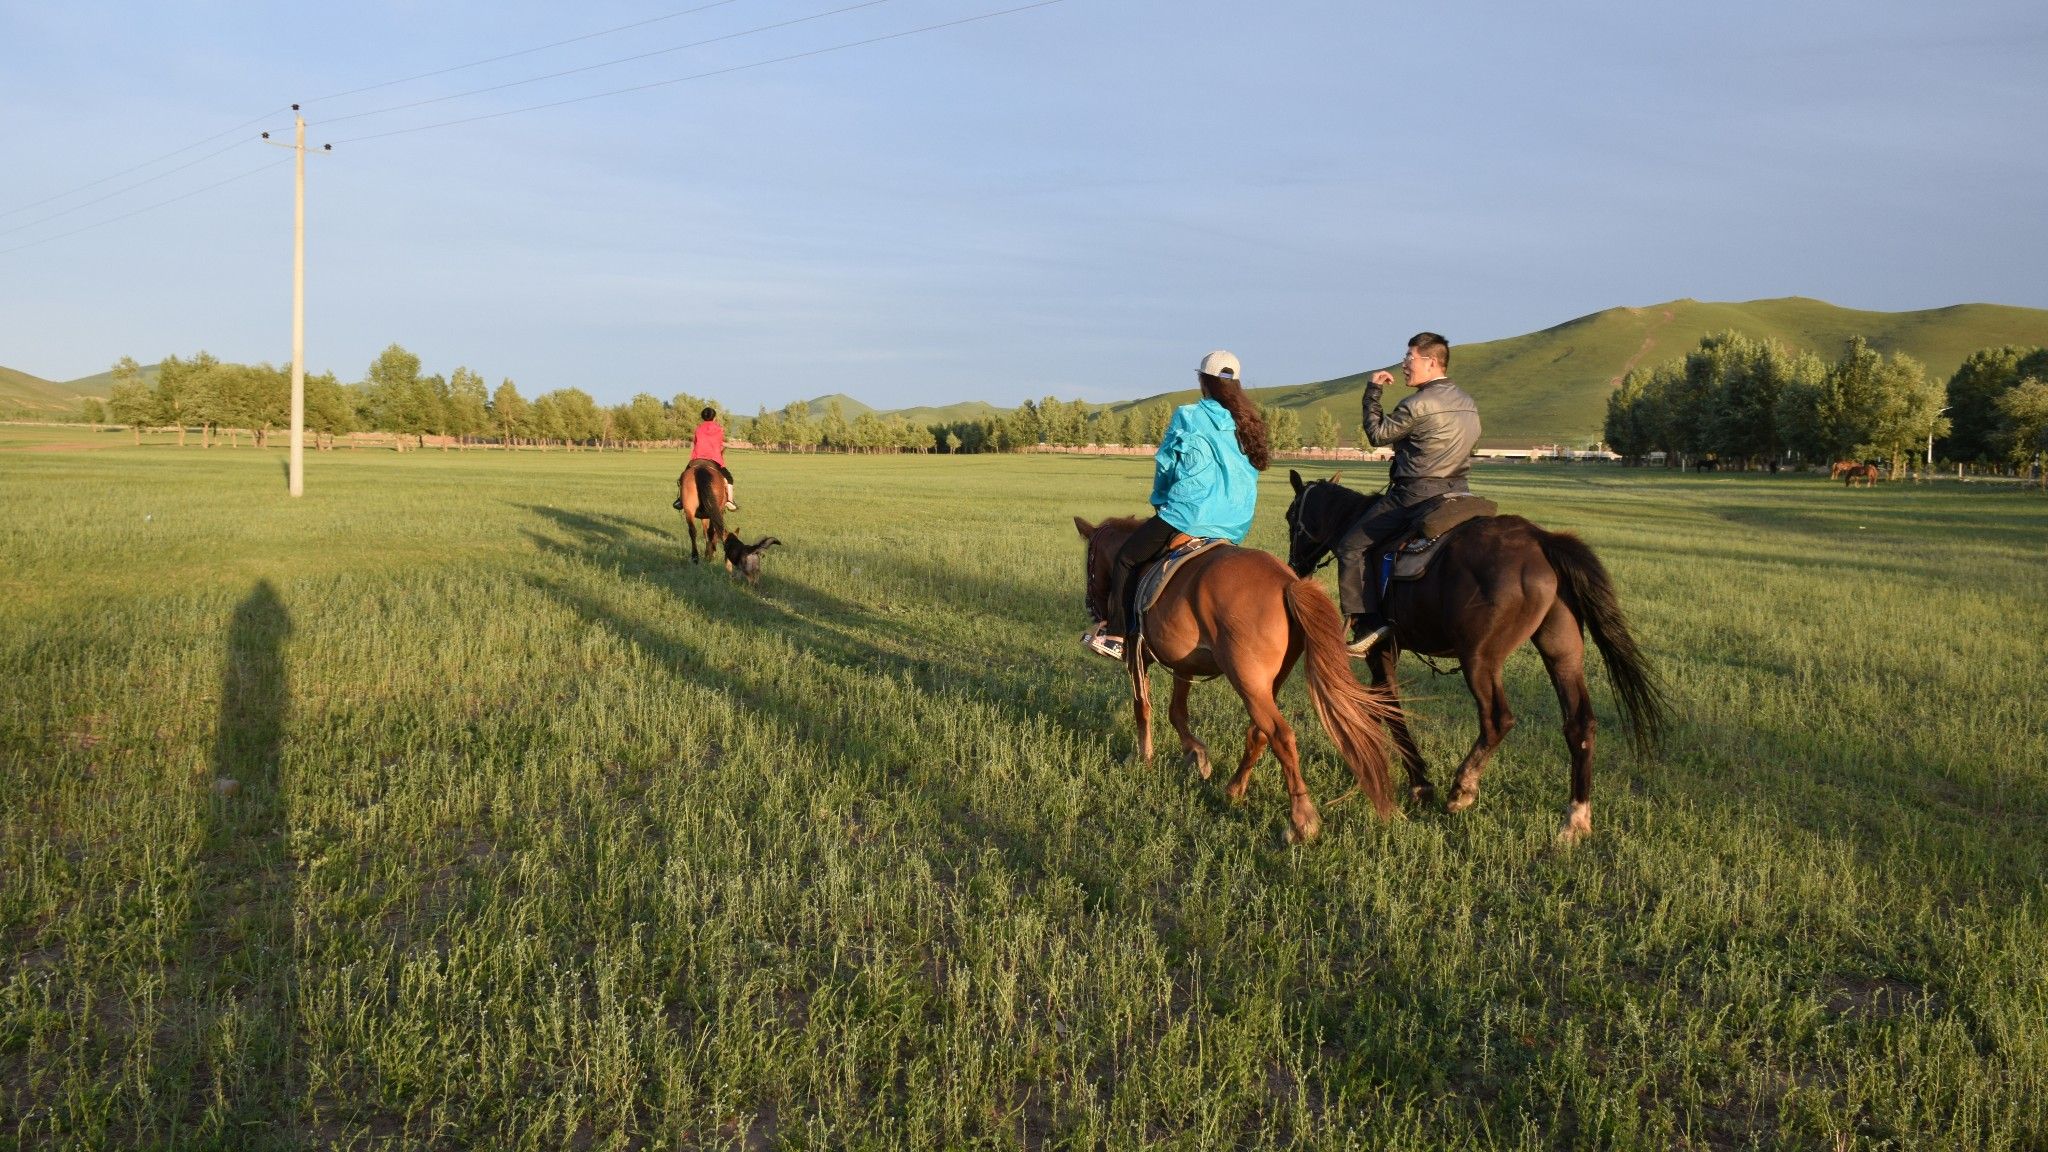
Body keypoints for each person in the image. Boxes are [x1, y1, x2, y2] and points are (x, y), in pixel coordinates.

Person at [1084, 351, 1270, 660]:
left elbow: (1167, 464)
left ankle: (1117, 635)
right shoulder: (1248, 422)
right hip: (1235, 523)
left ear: (1202, 381)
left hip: (1188, 515)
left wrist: (1161, 502)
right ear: (1236, 385)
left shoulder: (1189, 415)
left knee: (1128, 559)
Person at [1334, 331, 1482, 656]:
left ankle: (1367, 624)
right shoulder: (1468, 403)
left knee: (1351, 545)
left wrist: (1373, 391)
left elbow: (1376, 435)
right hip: (1460, 492)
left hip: (1415, 496)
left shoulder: (1418, 403)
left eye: (1409, 357)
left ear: (1430, 361)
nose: (1404, 364)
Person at [688, 406, 739, 512]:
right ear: (714, 417)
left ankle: (680, 499)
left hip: (697, 458)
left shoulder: (698, 429)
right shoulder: (719, 429)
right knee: (729, 478)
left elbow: (696, 443)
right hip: (714, 459)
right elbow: (718, 443)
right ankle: (730, 500)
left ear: (702, 417)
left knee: (685, 476)